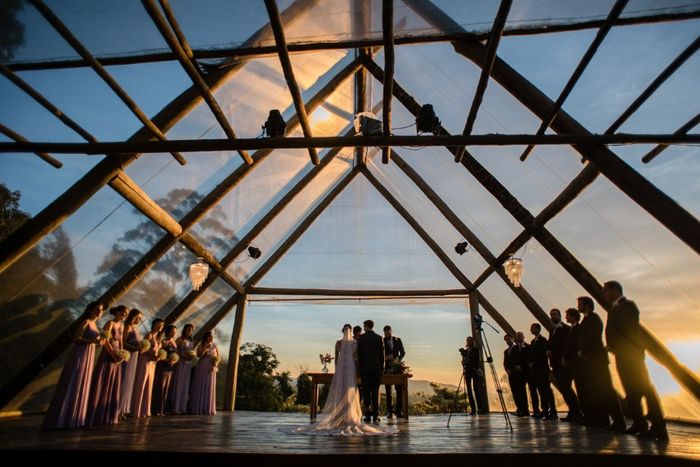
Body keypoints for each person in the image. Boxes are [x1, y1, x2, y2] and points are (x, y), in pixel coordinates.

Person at [293, 324, 396, 436]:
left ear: (342, 331)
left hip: (342, 369)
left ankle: (339, 415)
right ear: (351, 332)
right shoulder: (354, 343)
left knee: (341, 391)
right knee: (351, 392)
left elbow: (336, 358)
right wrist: (357, 370)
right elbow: (356, 358)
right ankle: (351, 416)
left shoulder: (338, 343)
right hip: (351, 369)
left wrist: (338, 370)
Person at [603, 281, 668, 441]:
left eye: (606, 290)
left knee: (645, 389)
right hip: (622, 355)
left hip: (630, 355)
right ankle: (640, 424)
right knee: (632, 391)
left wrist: (619, 347)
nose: (604, 293)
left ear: (615, 290)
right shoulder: (615, 309)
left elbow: (629, 330)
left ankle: (658, 426)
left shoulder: (628, 306)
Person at [43, 301, 105, 429]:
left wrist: (99, 343)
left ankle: (74, 417)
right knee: (74, 380)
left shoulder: (95, 324)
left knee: (82, 382)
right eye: (97, 309)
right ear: (90, 310)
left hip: (89, 354)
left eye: (101, 310)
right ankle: (62, 417)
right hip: (80, 354)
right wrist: (92, 341)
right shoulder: (86, 322)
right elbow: (77, 338)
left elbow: (92, 341)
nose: (100, 312)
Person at [577, 296, 625, 430]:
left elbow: (592, 337)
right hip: (591, 359)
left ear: (586, 305)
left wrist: (583, 350)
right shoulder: (587, 320)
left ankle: (617, 420)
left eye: (580, 304)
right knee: (596, 390)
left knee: (606, 390)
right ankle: (602, 418)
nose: (578, 307)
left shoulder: (593, 319)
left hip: (596, 359)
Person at [87, 304, 128, 426]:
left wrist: (121, 354)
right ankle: (95, 414)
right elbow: (105, 341)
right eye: (123, 312)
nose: (124, 315)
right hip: (108, 355)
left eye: (126, 313)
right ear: (117, 312)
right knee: (103, 381)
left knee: (113, 383)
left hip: (116, 356)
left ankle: (107, 413)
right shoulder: (110, 323)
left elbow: (120, 342)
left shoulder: (122, 325)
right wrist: (113, 355)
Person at [548, 308, 581, 422]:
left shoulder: (566, 329)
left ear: (560, 315)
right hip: (555, 363)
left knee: (566, 387)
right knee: (564, 388)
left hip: (563, 363)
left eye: (555, 315)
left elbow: (566, 345)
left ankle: (576, 411)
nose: (553, 317)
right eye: (551, 315)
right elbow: (550, 344)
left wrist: (559, 355)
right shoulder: (552, 330)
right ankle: (572, 411)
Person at [358, 320, 385, 423]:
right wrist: (382, 368)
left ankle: (367, 415)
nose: (363, 328)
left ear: (366, 326)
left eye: (364, 326)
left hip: (364, 369)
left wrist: (360, 368)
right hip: (376, 369)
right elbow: (381, 356)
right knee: (375, 392)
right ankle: (376, 414)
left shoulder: (362, 338)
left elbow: (359, 354)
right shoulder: (379, 338)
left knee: (366, 392)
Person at [529, 323, 556, 420]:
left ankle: (552, 411)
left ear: (537, 329)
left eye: (532, 328)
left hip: (543, 369)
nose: (530, 329)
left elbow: (543, 355)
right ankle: (545, 410)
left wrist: (534, 363)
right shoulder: (533, 342)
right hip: (536, 371)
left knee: (546, 390)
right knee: (541, 391)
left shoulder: (543, 340)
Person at [190, 330, 219, 415]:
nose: (211, 338)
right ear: (206, 337)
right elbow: (199, 355)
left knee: (209, 386)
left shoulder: (215, 346)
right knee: (201, 385)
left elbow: (218, 357)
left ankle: (208, 407)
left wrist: (215, 364)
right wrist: (205, 347)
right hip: (202, 366)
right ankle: (198, 407)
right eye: (210, 336)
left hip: (211, 367)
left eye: (212, 336)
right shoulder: (201, 345)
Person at [382, 325, 406, 418]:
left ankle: (399, 411)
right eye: (385, 333)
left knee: (399, 390)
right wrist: (385, 358)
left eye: (388, 332)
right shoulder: (382, 341)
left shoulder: (398, 340)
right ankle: (390, 412)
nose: (387, 334)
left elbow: (403, 352)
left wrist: (397, 360)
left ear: (392, 331)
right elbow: (380, 354)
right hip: (387, 368)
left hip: (397, 368)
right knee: (388, 391)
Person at [459, 336, 481, 415]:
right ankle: (473, 409)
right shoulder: (466, 351)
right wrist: (463, 362)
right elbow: (464, 362)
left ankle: (480, 408)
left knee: (476, 389)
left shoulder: (475, 350)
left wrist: (464, 355)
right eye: (467, 340)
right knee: (469, 390)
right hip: (467, 371)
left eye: (470, 340)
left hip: (474, 371)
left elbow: (476, 361)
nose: (468, 342)